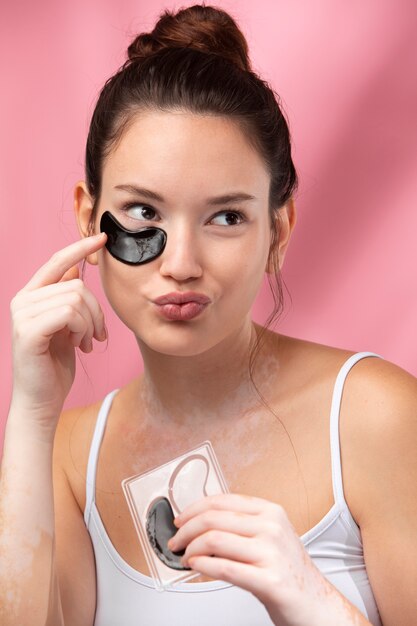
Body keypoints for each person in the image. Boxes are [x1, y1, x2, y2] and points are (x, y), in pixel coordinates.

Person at [1, 4, 416, 626]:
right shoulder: (67, 455)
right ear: (90, 217)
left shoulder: (373, 417)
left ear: (279, 229)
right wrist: (31, 414)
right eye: (143, 214)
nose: (182, 263)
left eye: (226, 217)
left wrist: (315, 603)